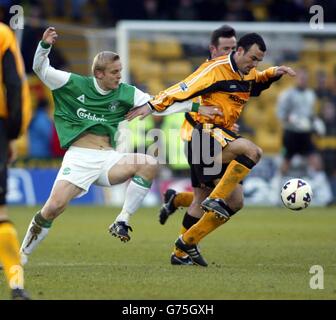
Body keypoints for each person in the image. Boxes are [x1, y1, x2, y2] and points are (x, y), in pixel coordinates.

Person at [19, 27, 221, 265]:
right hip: (79, 158)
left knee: (148, 163)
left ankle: (122, 220)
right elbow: (40, 69)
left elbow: (160, 104)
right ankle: (21, 255)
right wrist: (44, 46)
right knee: (52, 208)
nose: (119, 76)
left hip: (109, 159)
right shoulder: (72, 84)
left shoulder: (127, 93)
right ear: (99, 73)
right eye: (114, 72)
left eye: (120, 71)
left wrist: (195, 108)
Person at [127, 32, 296, 267]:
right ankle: (213, 200)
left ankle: (183, 247)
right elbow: (182, 88)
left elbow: (256, 81)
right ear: (239, 52)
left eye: (259, 60)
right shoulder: (214, 70)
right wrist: (152, 105)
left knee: (234, 201)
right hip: (205, 134)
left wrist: (273, 73)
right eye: (253, 58)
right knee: (252, 151)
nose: (255, 64)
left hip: (219, 135)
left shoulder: (245, 73)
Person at [158, 25, 238, 228]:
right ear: (213, 49)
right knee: (218, 199)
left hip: (217, 138)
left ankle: (175, 201)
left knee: (219, 198)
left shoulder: (231, 73)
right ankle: (183, 247)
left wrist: (227, 125)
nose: (231, 54)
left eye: (233, 49)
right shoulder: (206, 74)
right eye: (226, 49)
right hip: (199, 139)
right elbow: (184, 101)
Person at [0, 22, 31, 299]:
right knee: (1, 215)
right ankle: (16, 284)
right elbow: (14, 83)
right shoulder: (2, 34)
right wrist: (13, 133)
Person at [276, 67, 332, 203]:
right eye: (301, 78)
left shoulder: (310, 95)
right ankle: (277, 195)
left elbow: (310, 114)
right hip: (291, 134)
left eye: (305, 78)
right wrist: (291, 119)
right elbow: (281, 114)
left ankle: (327, 197)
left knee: (317, 163)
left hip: (305, 135)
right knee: (285, 165)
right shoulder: (288, 94)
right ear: (296, 79)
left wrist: (316, 122)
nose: (303, 80)